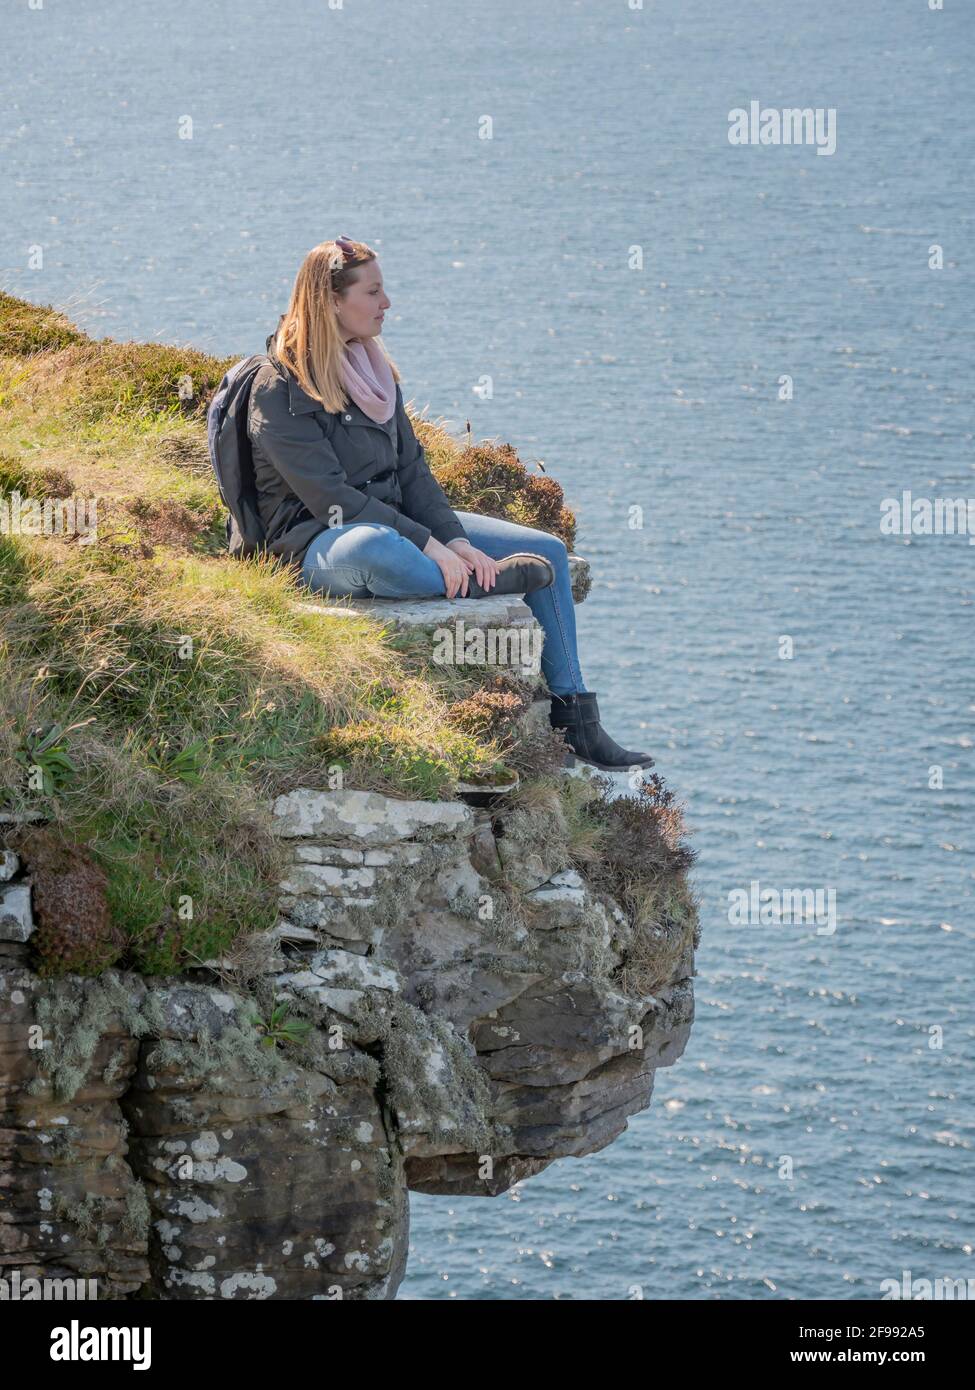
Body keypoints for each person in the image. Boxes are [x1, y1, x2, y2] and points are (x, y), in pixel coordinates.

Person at [245, 236, 654, 771]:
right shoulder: (278, 388)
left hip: (401, 522)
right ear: (331, 301)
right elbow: (332, 500)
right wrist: (429, 545)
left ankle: (575, 718)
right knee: (377, 550)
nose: (387, 303)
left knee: (548, 550)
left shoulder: (371, 371)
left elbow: (413, 472)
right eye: (373, 292)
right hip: (317, 542)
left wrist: (453, 539)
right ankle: (493, 580)